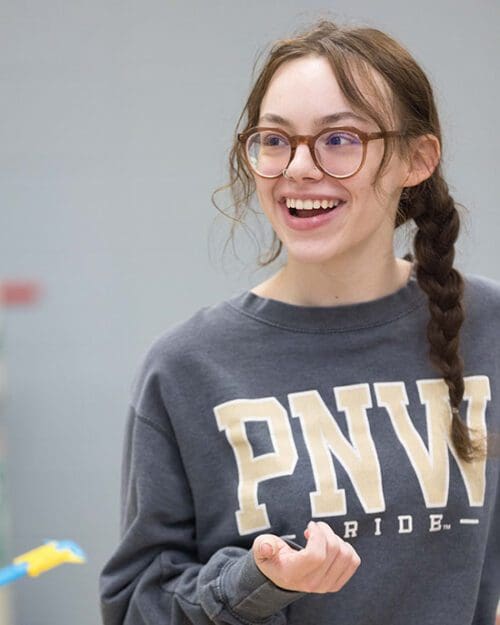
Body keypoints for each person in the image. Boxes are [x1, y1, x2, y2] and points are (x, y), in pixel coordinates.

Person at [99, 19, 500, 625]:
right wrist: (255, 581)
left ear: (416, 159)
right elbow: (135, 608)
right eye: (275, 140)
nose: (299, 167)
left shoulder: (490, 328)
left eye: (339, 140)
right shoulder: (185, 369)